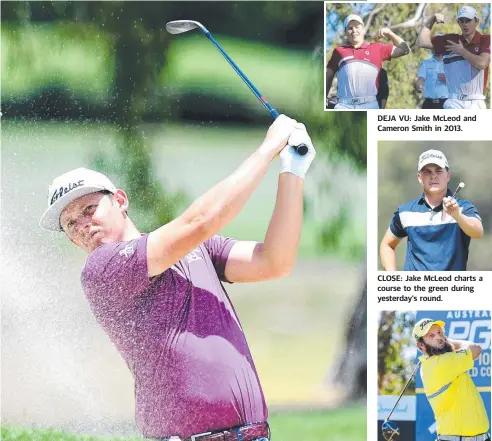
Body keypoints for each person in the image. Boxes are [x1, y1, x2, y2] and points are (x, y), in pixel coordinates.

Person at [39, 115, 316, 441]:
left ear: (120, 201)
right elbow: (200, 221)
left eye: (88, 210)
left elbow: (274, 261)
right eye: (71, 224)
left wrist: (292, 171)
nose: (83, 226)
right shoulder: (101, 271)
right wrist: (269, 147)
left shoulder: (195, 247)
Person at [380, 149, 483, 271]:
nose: (433, 176)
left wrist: (458, 216)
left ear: (448, 176)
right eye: (427, 172)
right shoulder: (405, 212)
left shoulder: (463, 207)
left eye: (439, 171)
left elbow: (477, 232)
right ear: (419, 177)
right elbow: (387, 245)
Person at [413, 318, 490, 441]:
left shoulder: (432, 363)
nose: (438, 337)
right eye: (431, 335)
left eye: (440, 332)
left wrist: (443, 340)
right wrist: (447, 340)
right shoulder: (441, 363)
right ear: (421, 345)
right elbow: (476, 349)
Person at [325, 14, 409, 110]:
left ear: (363, 29)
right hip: (343, 106)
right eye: (350, 28)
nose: (354, 31)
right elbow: (328, 76)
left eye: (357, 27)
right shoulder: (339, 51)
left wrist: (389, 33)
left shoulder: (377, 48)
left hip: (370, 105)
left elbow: (405, 49)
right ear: (345, 32)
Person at [417, 6, 490, 109]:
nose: (465, 24)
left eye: (468, 20)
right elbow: (422, 42)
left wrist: (461, 51)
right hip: (453, 102)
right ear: (458, 22)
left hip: (476, 102)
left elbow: (482, 63)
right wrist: (432, 19)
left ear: (476, 21)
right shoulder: (451, 40)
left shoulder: (485, 39)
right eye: (461, 20)